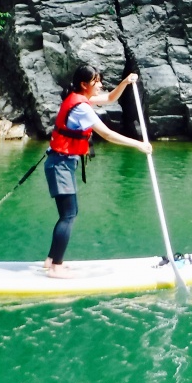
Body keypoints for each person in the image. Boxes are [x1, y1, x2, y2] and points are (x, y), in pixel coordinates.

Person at [43, 64, 152, 277]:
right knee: (69, 215)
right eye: (96, 81)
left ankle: (50, 261)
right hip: (60, 165)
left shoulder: (79, 99)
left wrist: (125, 82)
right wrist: (138, 144)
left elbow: (111, 98)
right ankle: (56, 267)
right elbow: (108, 135)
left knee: (67, 214)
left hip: (62, 163)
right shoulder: (81, 107)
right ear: (84, 84)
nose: (100, 84)